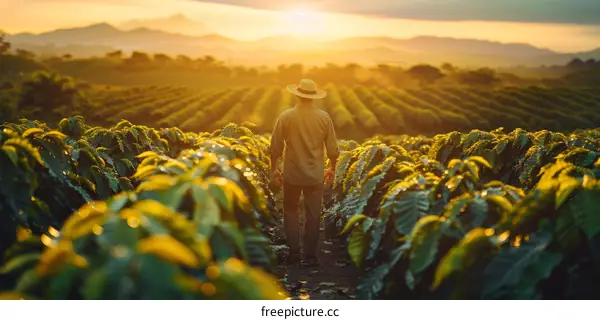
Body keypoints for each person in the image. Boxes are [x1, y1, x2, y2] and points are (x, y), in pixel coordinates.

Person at [269, 79, 339, 267]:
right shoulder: (324, 117)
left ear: (297, 95)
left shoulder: (286, 116)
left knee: (291, 211)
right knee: (313, 215)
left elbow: (275, 146)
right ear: (313, 97)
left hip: (292, 173)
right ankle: (310, 257)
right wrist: (332, 168)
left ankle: (293, 253)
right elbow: (332, 148)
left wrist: (273, 169)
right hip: (315, 175)